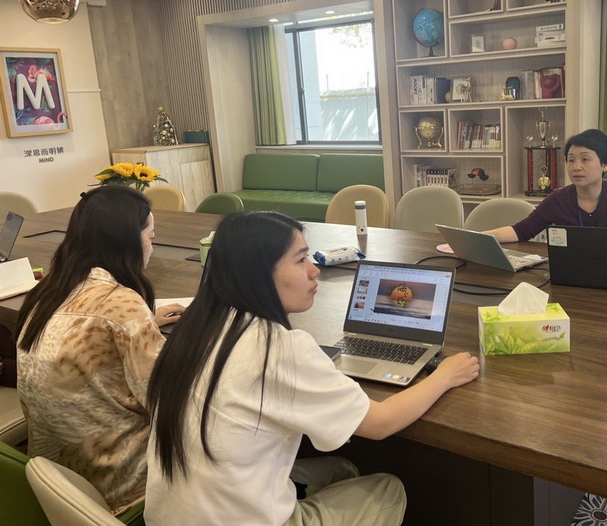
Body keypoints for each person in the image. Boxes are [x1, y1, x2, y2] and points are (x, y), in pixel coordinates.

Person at [145, 211, 480, 526]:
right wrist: (444, 376)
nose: (314, 270)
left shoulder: (195, 331)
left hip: (172, 516)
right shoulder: (276, 348)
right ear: (259, 273)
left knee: (342, 469)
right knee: (387, 488)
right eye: (300, 259)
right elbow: (382, 423)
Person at [15, 186, 184, 514]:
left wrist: (144, 321)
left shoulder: (48, 291)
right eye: (150, 237)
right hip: (122, 484)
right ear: (127, 241)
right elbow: (168, 401)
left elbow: (89, 336)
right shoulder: (121, 304)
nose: (152, 246)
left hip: (58, 476)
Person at [487, 129, 607, 244]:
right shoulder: (559, 199)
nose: (576, 167)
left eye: (585, 159)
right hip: (572, 272)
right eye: (571, 160)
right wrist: (480, 238)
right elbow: (521, 231)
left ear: (605, 164)